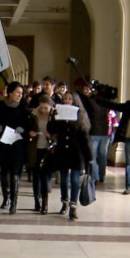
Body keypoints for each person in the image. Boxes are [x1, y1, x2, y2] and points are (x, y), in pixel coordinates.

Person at [48, 92, 92, 220]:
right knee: (63, 180)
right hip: (63, 151)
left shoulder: (80, 115)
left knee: (74, 180)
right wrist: (53, 117)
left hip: (76, 152)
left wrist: (89, 155)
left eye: (70, 99)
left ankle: (73, 206)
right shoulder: (59, 113)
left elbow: (84, 137)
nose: (67, 101)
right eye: (66, 99)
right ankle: (64, 202)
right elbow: (51, 129)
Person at [0, 82, 29, 214]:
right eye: (17, 92)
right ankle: (6, 197)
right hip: (3, 144)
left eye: (21, 93)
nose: (20, 95)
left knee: (15, 174)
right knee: (4, 173)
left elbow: (29, 124)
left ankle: (14, 202)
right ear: (10, 92)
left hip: (17, 145)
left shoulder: (24, 107)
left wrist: (23, 129)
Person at [79, 85, 113, 184]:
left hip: (94, 131)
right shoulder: (107, 102)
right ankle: (101, 175)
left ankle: (95, 176)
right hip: (105, 132)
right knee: (103, 155)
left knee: (92, 156)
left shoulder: (91, 101)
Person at [26, 95, 54, 214]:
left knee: (44, 177)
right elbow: (27, 127)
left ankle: (45, 204)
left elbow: (58, 132)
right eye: (41, 107)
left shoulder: (54, 117)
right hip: (35, 148)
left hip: (48, 149)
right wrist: (30, 132)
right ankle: (37, 202)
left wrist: (51, 136)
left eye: (46, 108)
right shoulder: (33, 114)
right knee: (36, 177)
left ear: (50, 107)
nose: (43, 110)